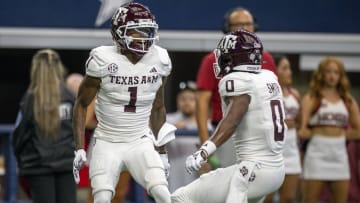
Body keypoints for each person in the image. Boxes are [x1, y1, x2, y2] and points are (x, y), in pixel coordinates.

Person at [72, 2, 175, 203]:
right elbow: (81, 104)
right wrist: (79, 147)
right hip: (107, 140)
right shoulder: (102, 60)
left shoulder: (160, 59)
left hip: (140, 139)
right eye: (135, 32)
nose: (143, 38)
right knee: (101, 197)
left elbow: (158, 106)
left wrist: (161, 151)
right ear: (118, 33)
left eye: (146, 31)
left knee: (162, 193)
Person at [172, 29, 286, 203]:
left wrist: (204, 151)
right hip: (276, 170)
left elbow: (233, 119)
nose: (222, 61)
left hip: (253, 169)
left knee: (181, 197)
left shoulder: (237, 80)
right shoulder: (268, 77)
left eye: (225, 57)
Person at [195, 6, 277, 171]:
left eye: (248, 24)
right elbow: (201, 103)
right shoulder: (212, 60)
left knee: (256, 188)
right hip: (227, 133)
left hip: (260, 132)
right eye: (239, 24)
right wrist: (206, 144)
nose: (245, 28)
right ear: (227, 29)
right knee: (225, 187)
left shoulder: (266, 58)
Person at [12, 49, 77, 203]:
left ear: (36, 69)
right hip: (66, 163)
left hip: (38, 166)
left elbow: (19, 136)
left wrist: (21, 160)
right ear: (58, 68)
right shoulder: (68, 96)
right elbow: (77, 129)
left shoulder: (30, 99)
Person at [298, 56, 360, 203]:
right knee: (309, 199)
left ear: (341, 75)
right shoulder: (312, 98)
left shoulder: (348, 100)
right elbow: (302, 130)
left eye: (336, 72)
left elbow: (358, 131)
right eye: (328, 71)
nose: (332, 76)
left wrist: (339, 134)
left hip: (339, 155)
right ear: (321, 74)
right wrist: (318, 133)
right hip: (316, 154)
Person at [66, 73, 132, 203]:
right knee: (98, 193)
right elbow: (84, 120)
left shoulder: (133, 89)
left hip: (126, 144)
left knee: (119, 194)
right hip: (103, 145)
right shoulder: (99, 89)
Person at [263, 55, 302, 203]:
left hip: (291, 152)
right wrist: (283, 122)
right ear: (275, 70)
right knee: (267, 198)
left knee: (289, 198)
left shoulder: (295, 95)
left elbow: (300, 122)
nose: (289, 72)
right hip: (271, 152)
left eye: (290, 68)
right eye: (285, 68)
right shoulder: (266, 94)